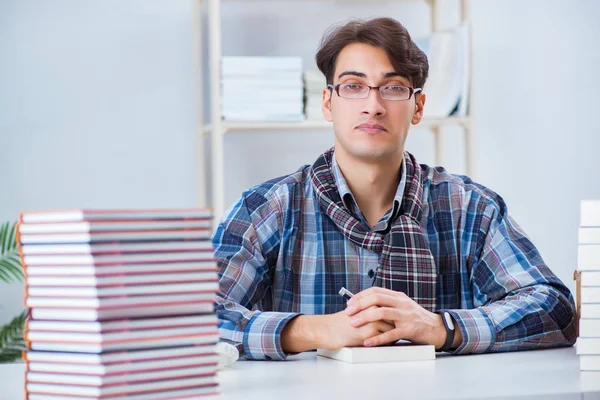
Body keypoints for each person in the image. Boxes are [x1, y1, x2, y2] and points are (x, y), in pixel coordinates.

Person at [212, 17, 577, 360]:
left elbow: (554, 307)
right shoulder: (267, 208)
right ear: (328, 102)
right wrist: (320, 330)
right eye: (353, 87)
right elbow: (196, 319)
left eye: (392, 88)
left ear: (418, 107)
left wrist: (440, 327)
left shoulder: (470, 208)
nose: (373, 106)